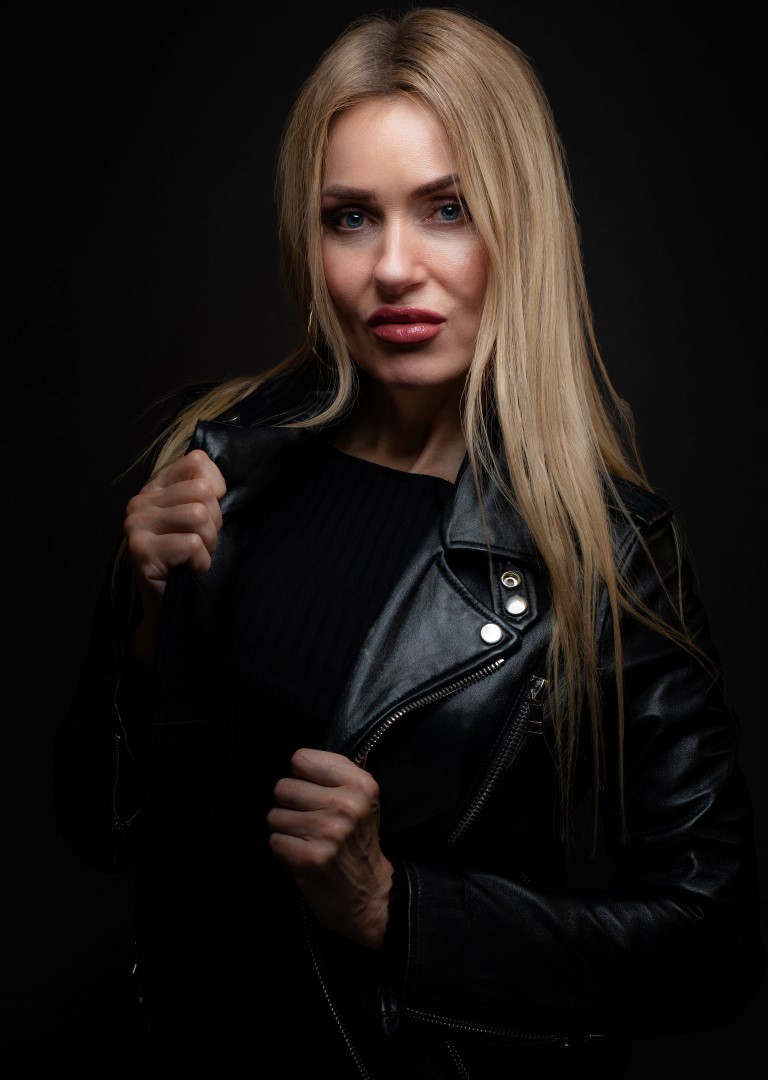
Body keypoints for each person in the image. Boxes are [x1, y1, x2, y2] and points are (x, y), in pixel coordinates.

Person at [52, 6, 765, 1078]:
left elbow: (711, 942)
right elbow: (97, 831)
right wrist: (148, 625)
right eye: (351, 217)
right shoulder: (219, 465)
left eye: (447, 209)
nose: (393, 267)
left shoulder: (609, 553)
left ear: (519, 226)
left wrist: (399, 907)